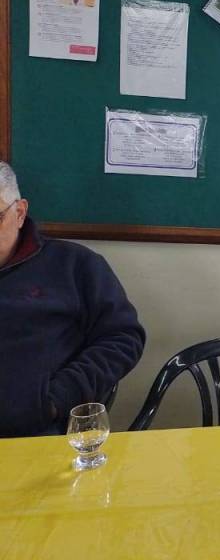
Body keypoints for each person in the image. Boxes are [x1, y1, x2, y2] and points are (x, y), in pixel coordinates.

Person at [0, 161, 145, 437]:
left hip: (38, 429)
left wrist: (57, 398)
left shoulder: (73, 264)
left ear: (19, 213)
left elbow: (123, 338)